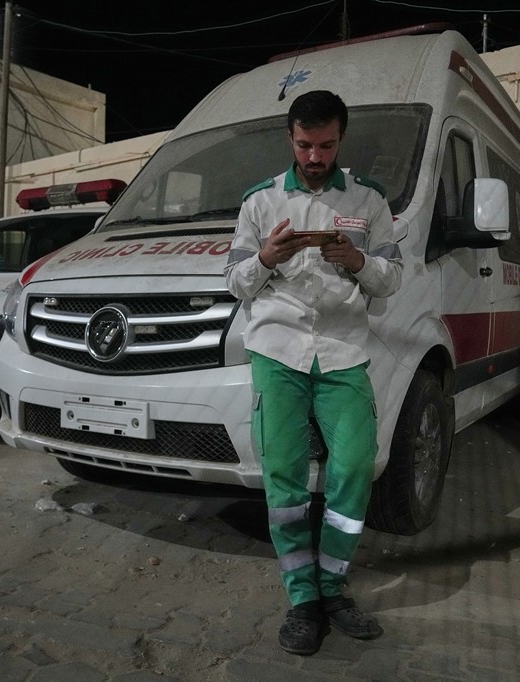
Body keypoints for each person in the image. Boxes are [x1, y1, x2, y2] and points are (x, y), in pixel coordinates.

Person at [224, 89, 403, 655]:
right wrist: (267, 259)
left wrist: (355, 260)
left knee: (354, 467)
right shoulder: (260, 202)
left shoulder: (369, 202)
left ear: (340, 140)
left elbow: (392, 278)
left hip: (345, 351)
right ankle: (302, 598)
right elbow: (233, 281)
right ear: (291, 139)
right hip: (278, 352)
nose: (315, 157)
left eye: (326, 145)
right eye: (305, 145)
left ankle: (334, 587)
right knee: (284, 476)